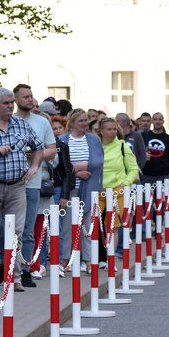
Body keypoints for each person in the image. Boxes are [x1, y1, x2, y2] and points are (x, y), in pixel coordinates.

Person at [0, 88, 44, 288]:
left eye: (12, 102)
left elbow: (39, 147)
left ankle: (15, 276)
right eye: (5, 103)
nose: (10, 106)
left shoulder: (22, 125)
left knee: (16, 233)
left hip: (17, 186)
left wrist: (34, 167)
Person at [14, 84, 56, 289]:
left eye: (31, 96)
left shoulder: (41, 123)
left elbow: (51, 151)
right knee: (5, 228)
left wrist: (35, 155)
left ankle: (26, 268)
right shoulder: (9, 121)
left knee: (28, 229)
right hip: (10, 181)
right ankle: (5, 266)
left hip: (32, 182)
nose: (30, 100)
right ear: (15, 99)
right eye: (25, 97)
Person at [57, 109, 103, 267]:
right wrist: (76, 172)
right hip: (70, 189)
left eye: (86, 120)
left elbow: (97, 162)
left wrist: (78, 168)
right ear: (73, 123)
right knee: (67, 226)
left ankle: (89, 260)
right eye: (81, 121)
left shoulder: (93, 139)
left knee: (88, 225)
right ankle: (65, 259)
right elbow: (60, 167)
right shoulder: (63, 140)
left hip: (89, 187)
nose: (84, 123)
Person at [98, 117, 139, 256]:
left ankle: (110, 258)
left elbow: (133, 169)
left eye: (114, 129)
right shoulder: (96, 146)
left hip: (116, 191)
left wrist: (125, 184)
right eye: (109, 129)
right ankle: (94, 260)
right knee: (93, 226)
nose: (112, 132)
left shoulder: (123, 146)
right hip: (97, 190)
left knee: (112, 227)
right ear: (101, 131)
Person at [140, 112, 169, 186]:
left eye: (160, 119)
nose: (157, 121)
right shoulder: (143, 136)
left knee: (164, 198)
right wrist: (143, 156)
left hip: (164, 176)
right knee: (146, 197)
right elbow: (136, 154)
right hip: (147, 175)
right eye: (155, 119)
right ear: (152, 121)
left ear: (163, 121)